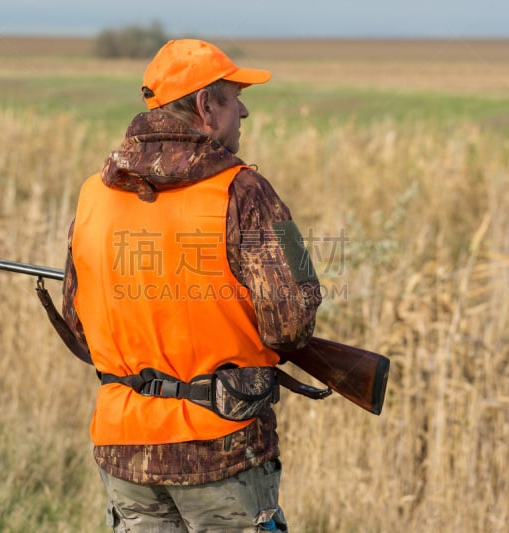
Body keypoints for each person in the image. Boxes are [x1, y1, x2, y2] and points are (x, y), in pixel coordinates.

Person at [61, 38, 321, 532]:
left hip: (125, 450)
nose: (243, 110)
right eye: (232, 97)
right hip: (221, 453)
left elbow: (79, 329)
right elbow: (293, 323)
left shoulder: (92, 194)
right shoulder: (245, 190)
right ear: (205, 106)